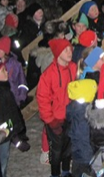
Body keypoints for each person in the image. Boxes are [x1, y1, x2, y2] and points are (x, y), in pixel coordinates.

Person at [36, 38, 76, 177]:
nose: (69, 52)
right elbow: (43, 98)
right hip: (56, 118)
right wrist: (49, 120)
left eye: (70, 48)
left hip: (70, 115)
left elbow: (89, 62)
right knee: (57, 151)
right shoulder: (48, 75)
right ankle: (55, 174)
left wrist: (96, 48)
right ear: (58, 53)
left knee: (68, 147)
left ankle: (65, 171)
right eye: (65, 50)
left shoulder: (73, 67)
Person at [65, 78, 97, 176]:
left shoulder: (74, 107)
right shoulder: (87, 114)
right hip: (86, 154)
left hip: (76, 151)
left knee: (77, 168)